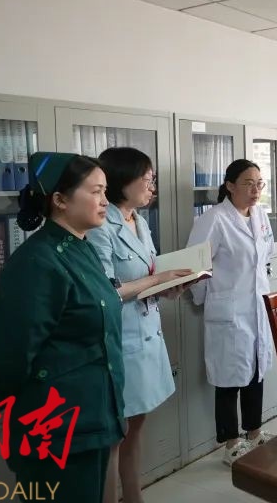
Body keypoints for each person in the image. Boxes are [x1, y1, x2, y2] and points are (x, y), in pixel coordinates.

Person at [0, 152, 124, 503]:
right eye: (96, 192)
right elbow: (9, 358)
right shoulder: (37, 262)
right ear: (60, 200)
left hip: (92, 416)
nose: (105, 201)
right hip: (56, 428)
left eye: (105, 191)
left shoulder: (81, 248)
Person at [87, 148, 191, 503]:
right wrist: (157, 280)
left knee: (136, 428)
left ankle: (134, 497)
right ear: (122, 181)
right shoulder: (102, 227)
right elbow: (106, 291)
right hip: (122, 342)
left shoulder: (139, 222)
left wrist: (168, 287)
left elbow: (146, 277)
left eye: (152, 180)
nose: (152, 187)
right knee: (116, 434)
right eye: (146, 180)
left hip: (147, 337)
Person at [186, 159, 275, 465]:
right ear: (230, 186)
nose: (255, 190)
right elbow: (196, 265)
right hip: (229, 310)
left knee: (255, 371)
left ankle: (255, 432)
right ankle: (231, 443)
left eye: (259, 184)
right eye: (248, 184)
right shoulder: (214, 219)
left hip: (256, 307)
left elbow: (266, 254)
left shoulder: (260, 215)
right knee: (228, 380)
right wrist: (205, 299)